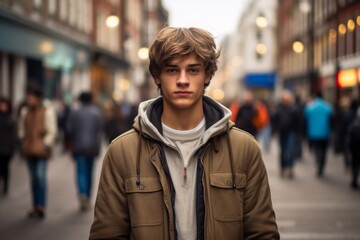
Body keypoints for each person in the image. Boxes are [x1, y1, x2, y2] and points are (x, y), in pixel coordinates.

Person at [89, 27, 279, 240]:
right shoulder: (122, 151)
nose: (182, 80)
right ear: (156, 76)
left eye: (193, 70)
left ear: (207, 75)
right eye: (172, 70)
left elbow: (262, 233)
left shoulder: (244, 148)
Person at [18, 83, 58, 219]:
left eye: (32, 96)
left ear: (38, 97)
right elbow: (22, 129)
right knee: (33, 179)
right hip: (29, 149)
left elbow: (52, 130)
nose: (29, 99)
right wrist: (23, 141)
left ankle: (41, 205)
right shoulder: (25, 111)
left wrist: (46, 144)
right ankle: (35, 205)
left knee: (40, 177)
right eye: (28, 96)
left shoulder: (47, 110)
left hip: (41, 150)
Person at [67, 92, 103, 211]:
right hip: (92, 147)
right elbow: (99, 130)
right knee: (89, 172)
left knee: (80, 171)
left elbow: (69, 129)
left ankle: (82, 193)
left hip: (78, 146)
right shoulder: (96, 112)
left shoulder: (75, 113)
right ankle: (87, 196)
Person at [303, 92, 333, 177]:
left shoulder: (310, 107)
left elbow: (305, 120)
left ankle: (317, 162)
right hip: (325, 133)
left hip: (313, 133)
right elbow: (332, 120)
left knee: (317, 150)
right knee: (324, 150)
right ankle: (322, 164)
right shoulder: (327, 107)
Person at [272, 90, 300, 178]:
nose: (286, 101)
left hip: (291, 132)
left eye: (288, 99)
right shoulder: (278, 109)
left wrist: (298, 132)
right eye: (285, 99)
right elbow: (274, 121)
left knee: (291, 151)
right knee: (283, 151)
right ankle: (283, 167)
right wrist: (275, 131)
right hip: (282, 132)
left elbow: (298, 122)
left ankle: (290, 167)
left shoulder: (294, 109)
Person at [0, 96, 17, 196]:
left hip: (6, 148)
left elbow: (13, 136)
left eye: (3, 105)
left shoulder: (11, 118)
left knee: (5, 168)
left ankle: (5, 186)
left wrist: (12, 149)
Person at [345, 107, 360, 190]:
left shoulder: (354, 124)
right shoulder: (354, 125)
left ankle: (354, 179)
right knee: (356, 164)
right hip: (355, 148)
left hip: (354, 148)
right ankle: (354, 179)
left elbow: (348, 139)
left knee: (355, 164)